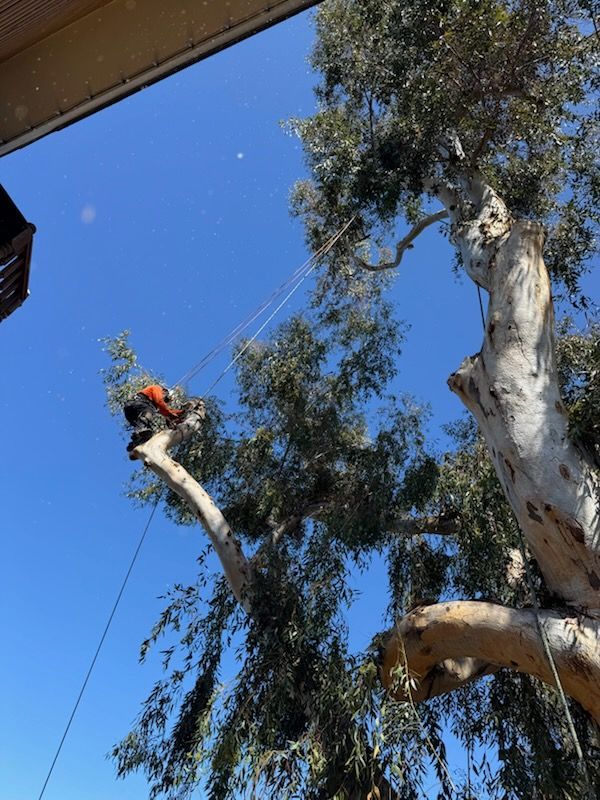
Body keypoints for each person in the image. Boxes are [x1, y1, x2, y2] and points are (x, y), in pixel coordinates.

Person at [123, 384, 183, 451]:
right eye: (166, 399)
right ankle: (141, 430)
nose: (164, 401)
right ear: (165, 392)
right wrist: (171, 414)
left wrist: (181, 412)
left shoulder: (153, 403)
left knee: (147, 434)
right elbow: (160, 403)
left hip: (132, 412)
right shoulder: (157, 388)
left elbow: (165, 412)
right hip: (138, 404)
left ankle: (136, 441)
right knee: (149, 412)